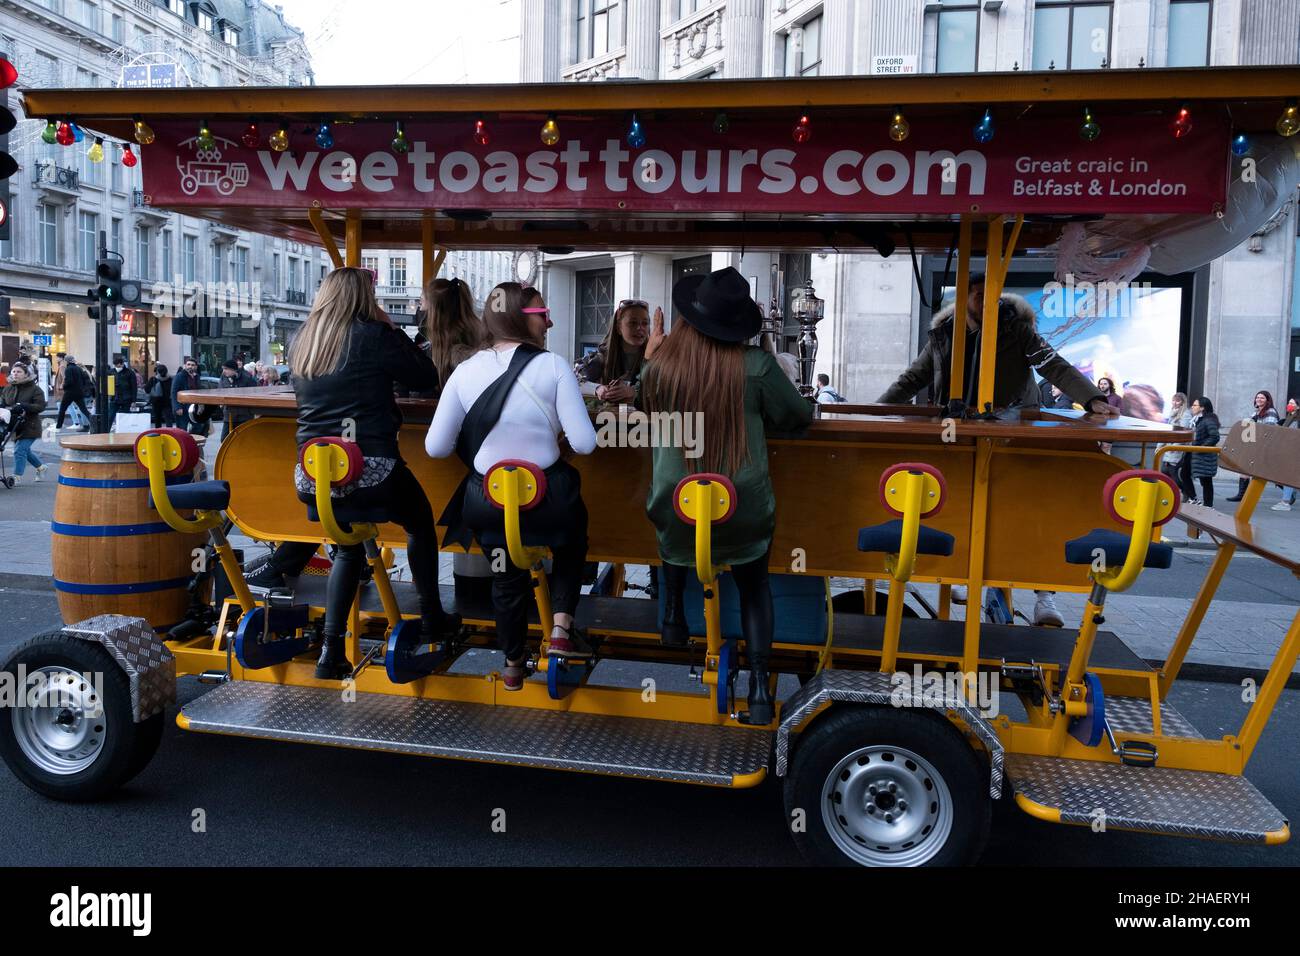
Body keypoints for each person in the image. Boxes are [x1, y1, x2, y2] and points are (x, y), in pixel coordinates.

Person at [642, 267, 814, 724]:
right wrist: (765, 359)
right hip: (742, 510)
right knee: (755, 586)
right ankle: (760, 692)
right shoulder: (755, 367)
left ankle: (674, 621)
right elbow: (798, 416)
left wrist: (650, 354)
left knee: (670, 515)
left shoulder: (660, 367)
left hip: (676, 508)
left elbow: (642, 405)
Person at [280, 267, 458, 680]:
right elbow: (426, 375)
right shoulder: (373, 336)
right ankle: (432, 618)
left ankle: (330, 651)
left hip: (313, 475)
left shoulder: (301, 340)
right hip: (369, 468)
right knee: (419, 522)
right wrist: (389, 327)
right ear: (364, 299)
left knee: (348, 546)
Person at [425, 282, 598, 691]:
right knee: (572, 543)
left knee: (505, 574)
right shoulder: (553, 366)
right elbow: (586, 443)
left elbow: (435, 447)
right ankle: (559, 629)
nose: (550, 320)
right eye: (543, 313)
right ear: (522, 318)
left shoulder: (465, 371)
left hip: (487, 501)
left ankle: (513, 663)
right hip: (550, 501)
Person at [878, 274, 1115, 415]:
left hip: (1013, 422)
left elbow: (1054, 365)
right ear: (964, 299)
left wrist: (1092, 399)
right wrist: (877, 411)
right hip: (958, 425)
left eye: (992, 296)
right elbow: (913, 379)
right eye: (980, 296)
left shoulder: (1018, 330)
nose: (987, 303)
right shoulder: (944, 337)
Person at [575, 298, 656, 404]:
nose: (640, 328)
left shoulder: (655, 358)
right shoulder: (602, 357)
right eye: (633, 323)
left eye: (645, 323)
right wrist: (598, 388)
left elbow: (664, 387)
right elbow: (574, 380)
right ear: (618, 327)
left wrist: (633, 391)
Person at [0, 363, 49, 484]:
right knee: (24, 450)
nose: (15, 374)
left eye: (19, 372)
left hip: (30, 425)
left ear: (26, 374)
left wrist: (24, 406)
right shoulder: (8, 388)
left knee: (19, 450)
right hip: (13, 425)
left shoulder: (35, 389)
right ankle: (41, 467)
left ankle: (16, 477)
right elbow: (3, 402)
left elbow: (41, 406)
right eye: (13, 371)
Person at [1226, 390, 1279, 502]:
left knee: (1270, 473)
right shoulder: (1256, 413)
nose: (1259, 399)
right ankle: (1241, 495)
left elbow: (1268, 431)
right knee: (1244, 468)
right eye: (1257, 397)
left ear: (1268, 400)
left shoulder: (1271, 412)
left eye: (1262, 398)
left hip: (1265, 447)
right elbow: (1247, 427)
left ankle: (1289, 491)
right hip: (1255, 446)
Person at [1179, 396, 1221, 506]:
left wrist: (1201, 447)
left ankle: (1208, 505)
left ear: (1202, 408)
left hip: (1202, 454)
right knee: (1184, 473)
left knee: (1206, 480)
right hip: (1192, 452)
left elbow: (1214, 436)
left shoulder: (1208, 420)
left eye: (1195, 405)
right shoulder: (1195, 419)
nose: (1192, 407)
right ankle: (1194, 498)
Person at [218, 358, 257, 443]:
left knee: (243, 440)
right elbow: (219, 391)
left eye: (226, 369)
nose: (224, 371)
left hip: (244, 415)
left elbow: (254, 394)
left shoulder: (247, 378)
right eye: (223, 369)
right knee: (224, 440)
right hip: (229, 415)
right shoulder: (223, 377)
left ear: (233, 369)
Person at [1160, 392, 1192, 483]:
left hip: (1176, 449)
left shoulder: (1185, 414)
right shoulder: (1172, 413)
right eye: (1173, 400)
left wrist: (1174, 447)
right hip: (1169, 447)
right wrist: (1160, 446)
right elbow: (1166, 431)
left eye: (1177, 401)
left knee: (1173, 474)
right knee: (1165, 472)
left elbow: (1183, 433)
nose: (1174, 403)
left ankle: (1185, 493)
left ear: (1182, 402)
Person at [55, 355, 93, 432]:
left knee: (62, 409)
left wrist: (63, 387)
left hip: (69, 392)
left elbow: (69, 381)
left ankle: (58, 426)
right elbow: (84, 380)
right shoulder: (78, 368)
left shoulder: (68, 369)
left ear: (66, 361)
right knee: (84, 409)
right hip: (79, 392)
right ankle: (94, 423)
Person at [171, 357, 207, 435]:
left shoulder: (197, 376)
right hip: (182, 408)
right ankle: (183, 445)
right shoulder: (179, 376)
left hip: (194, 408)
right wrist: (177, 407)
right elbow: (174, 392)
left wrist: (201, 405)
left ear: (196, 367)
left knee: (199, 426)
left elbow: (199, 391)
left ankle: (191, 440)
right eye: (188, 364)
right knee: (181, 431)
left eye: (193, 365)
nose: (190, 366)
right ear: (185, 366)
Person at [1273, 400, 1298, 512]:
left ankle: (1285, 502)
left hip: (1294, 451)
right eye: (1289, 403)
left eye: (1293, 403)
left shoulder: (1297, 419)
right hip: (1288, 451)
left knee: (1288, 476)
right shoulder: (1289, 417)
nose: (1290, 405)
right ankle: (1289, 496)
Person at [144, 364, 175, 428]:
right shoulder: (171, 379)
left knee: (157, 420)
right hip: (168, 402)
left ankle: (158, 434)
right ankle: (170, 434)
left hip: (156, 402)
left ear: (157, 372)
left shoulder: (153, 379)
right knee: (168, 420)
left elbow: (146, 390)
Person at [112, 355, 137, 421]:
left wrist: (134, 401)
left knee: (125, 417)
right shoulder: (111, 372)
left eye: (120, 365)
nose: (118, 367)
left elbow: (134, 387)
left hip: (126, 398)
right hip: (114, 398)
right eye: (116, 365)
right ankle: (107, 430)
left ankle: (124, 430)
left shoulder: (130, 373)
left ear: (123, 364)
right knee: (110, 416)